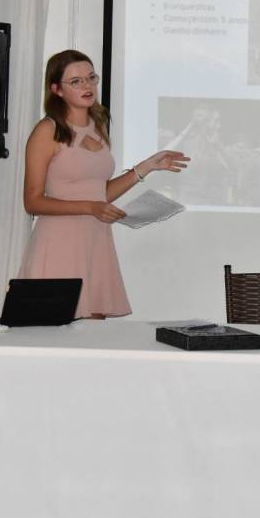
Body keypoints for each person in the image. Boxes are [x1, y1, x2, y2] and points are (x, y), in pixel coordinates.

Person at [18, 50, 189, 319]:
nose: (87, 86)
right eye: (76, 81)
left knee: (93, 331)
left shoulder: (98, 126)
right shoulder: (47, 130)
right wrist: (91, 207)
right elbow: (33, 201)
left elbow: (100, 193)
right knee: (54, 332)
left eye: (91, 78)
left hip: (95, 239)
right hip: (60, 241)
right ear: (56, 89)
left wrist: (147, 166)